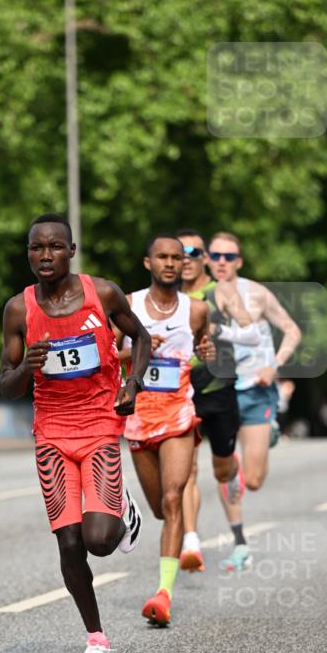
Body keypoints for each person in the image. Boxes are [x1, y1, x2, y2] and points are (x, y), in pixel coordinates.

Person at [0, 213, 151, 653]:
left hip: (101, 425)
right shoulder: (18, 310)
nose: (45, 256)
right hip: (51, 433)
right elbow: (6, 384)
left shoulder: (102, 293)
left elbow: (142, 337)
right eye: (36, 249)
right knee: (68, 544)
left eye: (54, 247)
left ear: (71, 250)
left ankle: (121, 512)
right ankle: (97, 643)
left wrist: (134, 382)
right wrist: (27, 367)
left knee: (99, 542)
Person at [115, 234, 209, 627]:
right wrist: (135, 350)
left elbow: (204, 348)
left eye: (177, 257)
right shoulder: (129, 305)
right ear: (147, 262)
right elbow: (106, 355)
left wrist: (209, 354)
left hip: (178, 415)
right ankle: (132, 511)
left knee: (173, 500)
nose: (171, 263)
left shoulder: (198, 310)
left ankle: (163, 594)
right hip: (138, 417)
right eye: (162, 257)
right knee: (158, 509)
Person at [207, 230, 301, 571]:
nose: (221, 262)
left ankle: (270, 428)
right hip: (220, 390)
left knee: (255, 479)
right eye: (215, 255)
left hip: (256, 389)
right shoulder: (201, 297)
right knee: (225, 468)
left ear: (238, 261)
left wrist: (273, 366)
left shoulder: (257, 294)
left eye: (228, 257)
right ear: (206, 259)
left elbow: (292, 330)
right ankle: (240, 542)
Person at [178, 229, 261, 572]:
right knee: (186, 469)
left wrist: (220, 331)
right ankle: (191, 542)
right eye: (177, 252)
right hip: (182, 392)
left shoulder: (220, 292)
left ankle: (237, 532)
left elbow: (253, 333)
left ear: (204, 258)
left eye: (193, 251)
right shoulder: (165, 297)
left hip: (219, 390)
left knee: (222, 469)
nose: (185, 258)